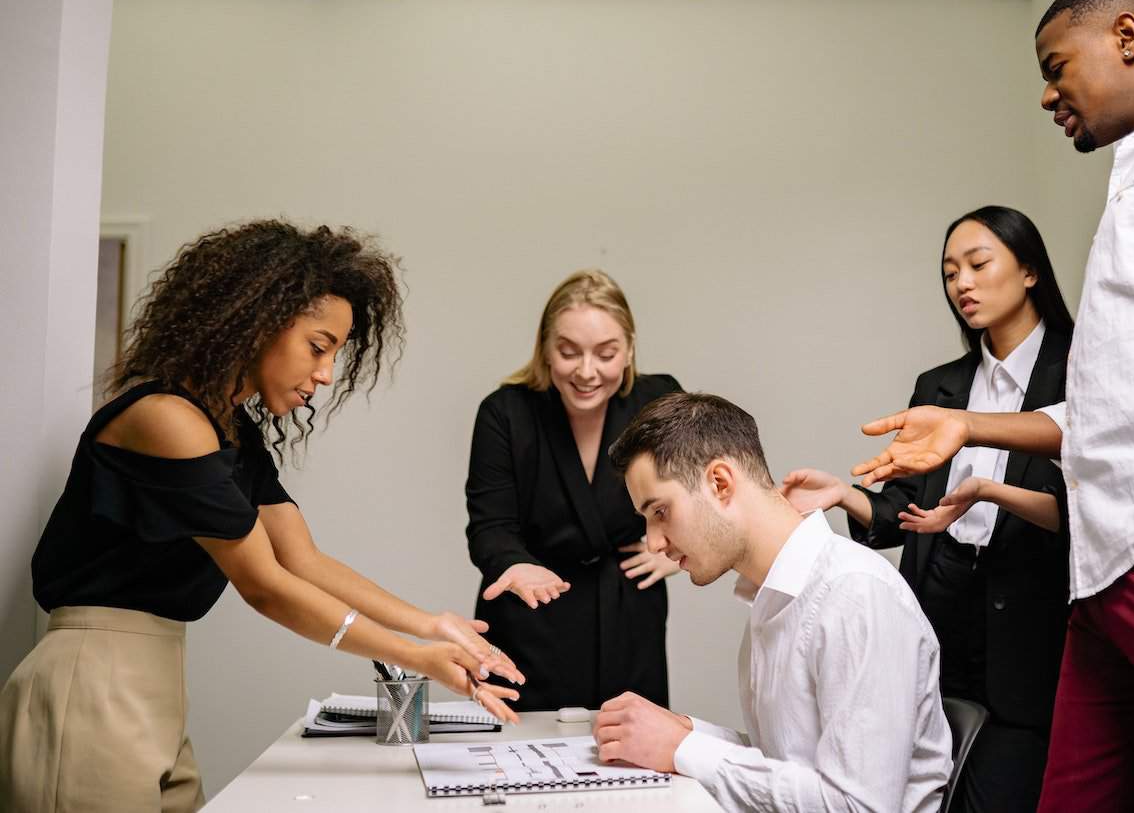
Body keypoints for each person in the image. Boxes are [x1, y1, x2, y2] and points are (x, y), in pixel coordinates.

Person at [853, 0, 1134, 812]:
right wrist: (967, 424)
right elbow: (1112, 411)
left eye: (1057, 65)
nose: (1049, 94)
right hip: (1107, 581)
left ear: (1126, 36)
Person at [0, 220, 524, 813]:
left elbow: (300, 559)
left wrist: (432, 625)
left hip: (156, 681)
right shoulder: (166, 419)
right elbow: (266, 587)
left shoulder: (232, 431)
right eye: (318, 346)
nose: (325, 375)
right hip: (91, 680)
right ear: (256, 321)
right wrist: (416, 658)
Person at [781, 205, 1071, 812]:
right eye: (948, 273)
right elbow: (902, 512)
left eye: (977, 264)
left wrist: (988, 491)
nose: (961, 284)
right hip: (939, 601)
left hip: (1029, 616)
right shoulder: (939, 385)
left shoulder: (1077, 369)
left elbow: (1082, 511)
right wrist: (843, 495)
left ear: (1029, 271)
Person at [595, 391, 952, 813]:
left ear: (720, 482)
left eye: (660, 512)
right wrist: (687, 733)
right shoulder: (776, 598)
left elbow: (860, 805)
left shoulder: (855, 595)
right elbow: (791, 764)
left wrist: (683, 748)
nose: (654, 543)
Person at [464, 269, 681, 711]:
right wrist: (515, 564)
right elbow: (490, 527)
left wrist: (675, 545)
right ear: (545, 349)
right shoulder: (505, 413)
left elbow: (699, 494)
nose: (586, 372)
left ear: (630, 349)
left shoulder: (658, 402)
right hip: (531, 615)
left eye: (606, 353)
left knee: (633, 756)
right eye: (568, 352)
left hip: (627, 611)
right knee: (524, 762)